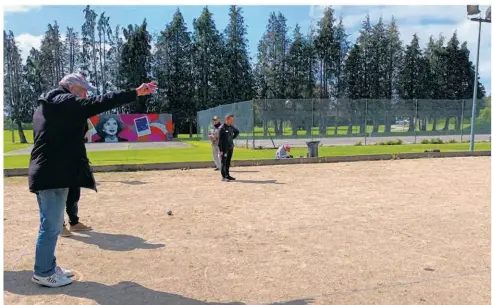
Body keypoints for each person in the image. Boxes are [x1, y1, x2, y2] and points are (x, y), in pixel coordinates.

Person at [28, 72, 157, 288]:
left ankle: (48, 267)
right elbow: (99, 103)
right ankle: (43, 272)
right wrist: (134, 92)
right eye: (83, 91)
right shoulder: (63, 100)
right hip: (52, 174)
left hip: (48, 171)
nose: (86, 95)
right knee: (50, 227)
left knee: (48, 224)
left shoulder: (50, 105)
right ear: (72, 89)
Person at [218, 114, 239, 182]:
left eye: (232, 120)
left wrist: (232, 138)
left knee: (228, 162)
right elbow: (219, 141)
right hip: (224, 148)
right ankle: (223, 177)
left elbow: (237, 132)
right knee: (223, 162)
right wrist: (220, 150)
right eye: (231, 120)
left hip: (230, 147)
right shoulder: (222, 128)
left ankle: (227, 175)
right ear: (227, 119)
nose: (232, 121)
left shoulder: (230, 127)